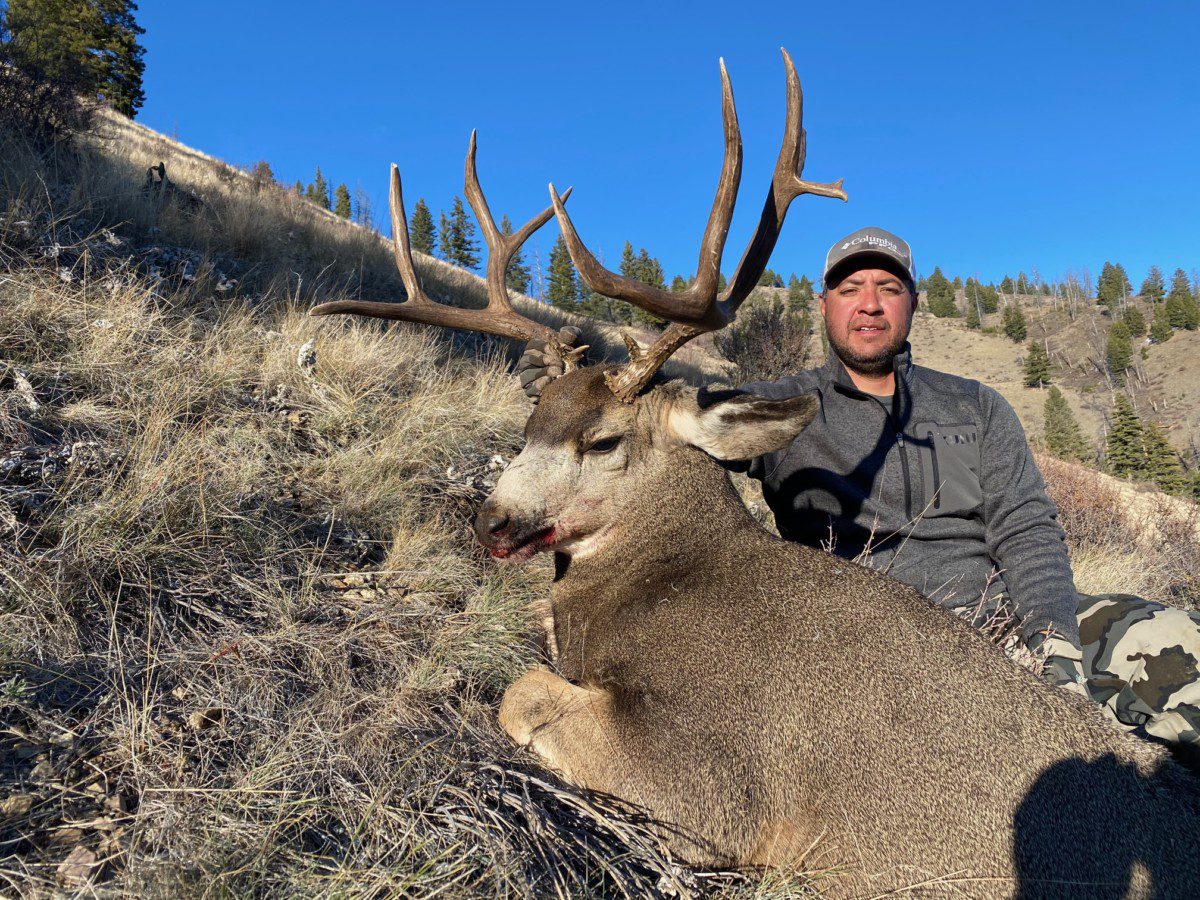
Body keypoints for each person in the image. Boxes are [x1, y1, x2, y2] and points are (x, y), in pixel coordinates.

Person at [518, 227, 1200, 757]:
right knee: (1125, 742)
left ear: (911, 303)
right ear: (824, 305)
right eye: (850, 288)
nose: (869, 303)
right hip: (885, 647)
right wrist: (566, 395)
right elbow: (651, 425)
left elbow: (1027, 530)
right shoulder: (783, 407)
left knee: (1178, 642)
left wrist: (1052, 636)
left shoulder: (977, 407)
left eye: (887, 287)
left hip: (1010, 614)